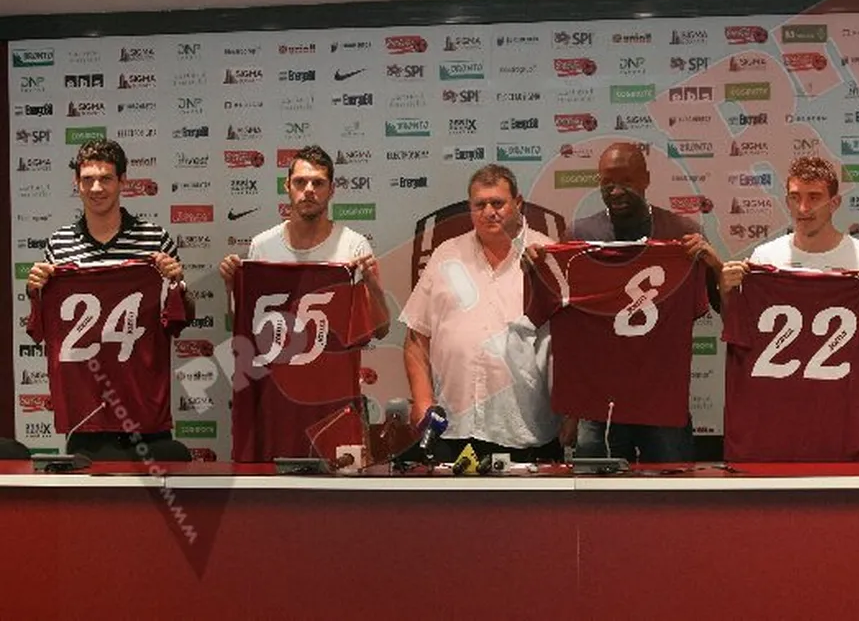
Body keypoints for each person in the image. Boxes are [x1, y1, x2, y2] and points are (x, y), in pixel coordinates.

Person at [25, 138, 191, 461]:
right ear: (77, 183)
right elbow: (41, 327)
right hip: (86, 412)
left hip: (143, 407)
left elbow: (181, 318)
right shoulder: (59, 245)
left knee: (153, 493)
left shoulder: (155, 240)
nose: (96, 188)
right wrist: (35, 288)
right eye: (88, 179)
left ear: (122, 181)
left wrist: (177, 284)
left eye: (106, 178)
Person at [558, 141, 724, 463]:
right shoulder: (579, 235)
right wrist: (572, 409)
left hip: (661, 398)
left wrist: (715, 266)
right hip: (598, 402)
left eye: (626, 180)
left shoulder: (681, 234)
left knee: (670, 491)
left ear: (646, 179)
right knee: (595, 493)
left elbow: (721, 307)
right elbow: (569, 327)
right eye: (607, 182)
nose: (616, 190)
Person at [400, 164, 563, 462]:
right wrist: (422, 401)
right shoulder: (446, 255)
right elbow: (415, 337)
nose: (489, 212)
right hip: (453, 428)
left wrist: (573, 416)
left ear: (518, 203)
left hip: (527, 431)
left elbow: (574, 347)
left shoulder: (548, 255)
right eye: (480, 205)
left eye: (497, 203)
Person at [719, 155, 859, 352]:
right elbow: (742, 334)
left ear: (834, 203)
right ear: (787, 202)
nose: (803, 208)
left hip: (845, 373)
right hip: (776, 372)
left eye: (814, 197)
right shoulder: (764, 257)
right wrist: (726, 292)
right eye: (795, 197)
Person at [218, 145, 389, 338]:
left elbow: (381, 331)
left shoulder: (354, 246)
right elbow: (243, 328)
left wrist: (373, 287)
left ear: (331, 190)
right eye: (300, 182)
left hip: (336, 358)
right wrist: (232, 288)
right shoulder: (262, 245)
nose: (308, 190)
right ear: (287, 186)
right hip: (274, 358)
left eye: (318, 183)